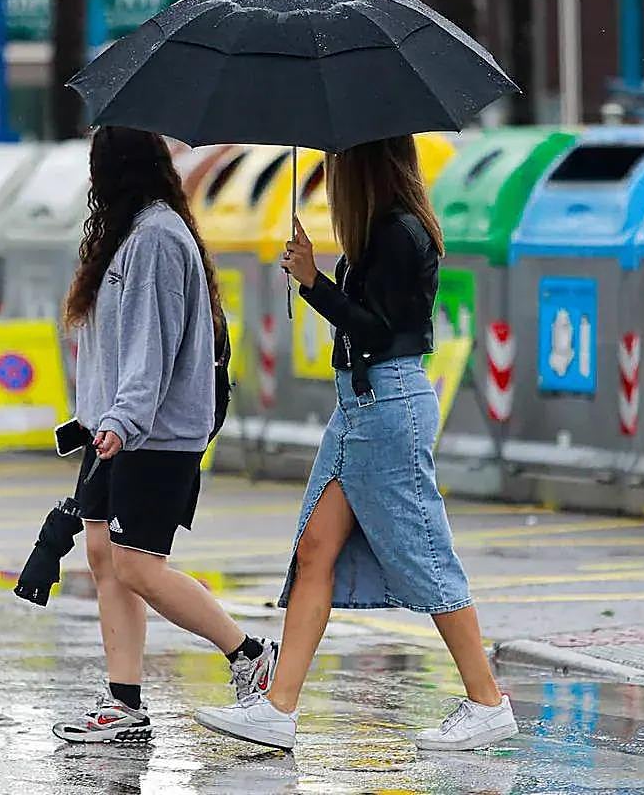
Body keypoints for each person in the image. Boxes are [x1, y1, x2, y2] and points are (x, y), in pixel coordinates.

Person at [195, 136, 518, 752]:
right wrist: (318, 277)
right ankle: (279, 708)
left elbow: (380, 330)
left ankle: (486, 701)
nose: (332, 174)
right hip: (361, 405)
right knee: (316, 548)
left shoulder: (399, 233)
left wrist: (315, 282)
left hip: (387, 404)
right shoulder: (380, 231)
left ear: (365, 164)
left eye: (338, 162)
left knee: (425, 551)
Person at [52, 126, 278, 744]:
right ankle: (123, 701)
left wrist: (124, 421)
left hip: (152, 435)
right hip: (116, 430)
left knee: (136, 565)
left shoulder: (153, 238)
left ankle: (250, 655)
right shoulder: (129, 236)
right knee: (104, 557)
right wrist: (97, 418)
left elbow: (151, 345)